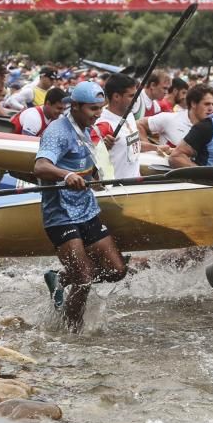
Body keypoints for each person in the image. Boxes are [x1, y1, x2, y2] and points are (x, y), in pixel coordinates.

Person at [34, 81, 128, 332]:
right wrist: (65, 176)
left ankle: (60, 277)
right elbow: (40, 166)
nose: (98, 114)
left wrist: (101, 150)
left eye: (101, 108)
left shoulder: (88, 128)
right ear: (74, 106)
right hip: (60, 215)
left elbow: (88, 165)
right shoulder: (57, 131)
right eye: (93, 109)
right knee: (84, 279)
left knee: (117, 270)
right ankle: (72, 334)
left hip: (87, 209)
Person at [94, 74, 163, 180]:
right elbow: (90, 163)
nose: (136, 100)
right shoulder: (102, 124)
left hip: (135, 183)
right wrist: (101, 148)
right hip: (118, 189)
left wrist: (156, 147)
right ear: (116, 96)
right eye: (131, 96)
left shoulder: (129, 114)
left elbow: (133, 145)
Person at [138, 83, 213, 149]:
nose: (211, 109)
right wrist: (150, 148)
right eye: (207, 104)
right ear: (193, 104)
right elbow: (139, 124)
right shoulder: (170, 119)